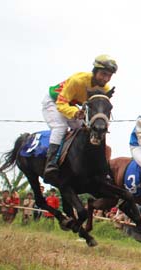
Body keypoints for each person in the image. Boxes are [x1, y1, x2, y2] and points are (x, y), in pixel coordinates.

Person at [43, 55, 118, 183]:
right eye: (103, 74)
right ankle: (51, 164)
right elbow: (61, 103)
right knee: (60, 127)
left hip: (72, 105)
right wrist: (75, 113)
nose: (105, 79)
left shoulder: (104, 89)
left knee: (85, 130)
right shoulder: (77, 81)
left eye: (109, 76)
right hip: (54, 102)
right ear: (95, 71)